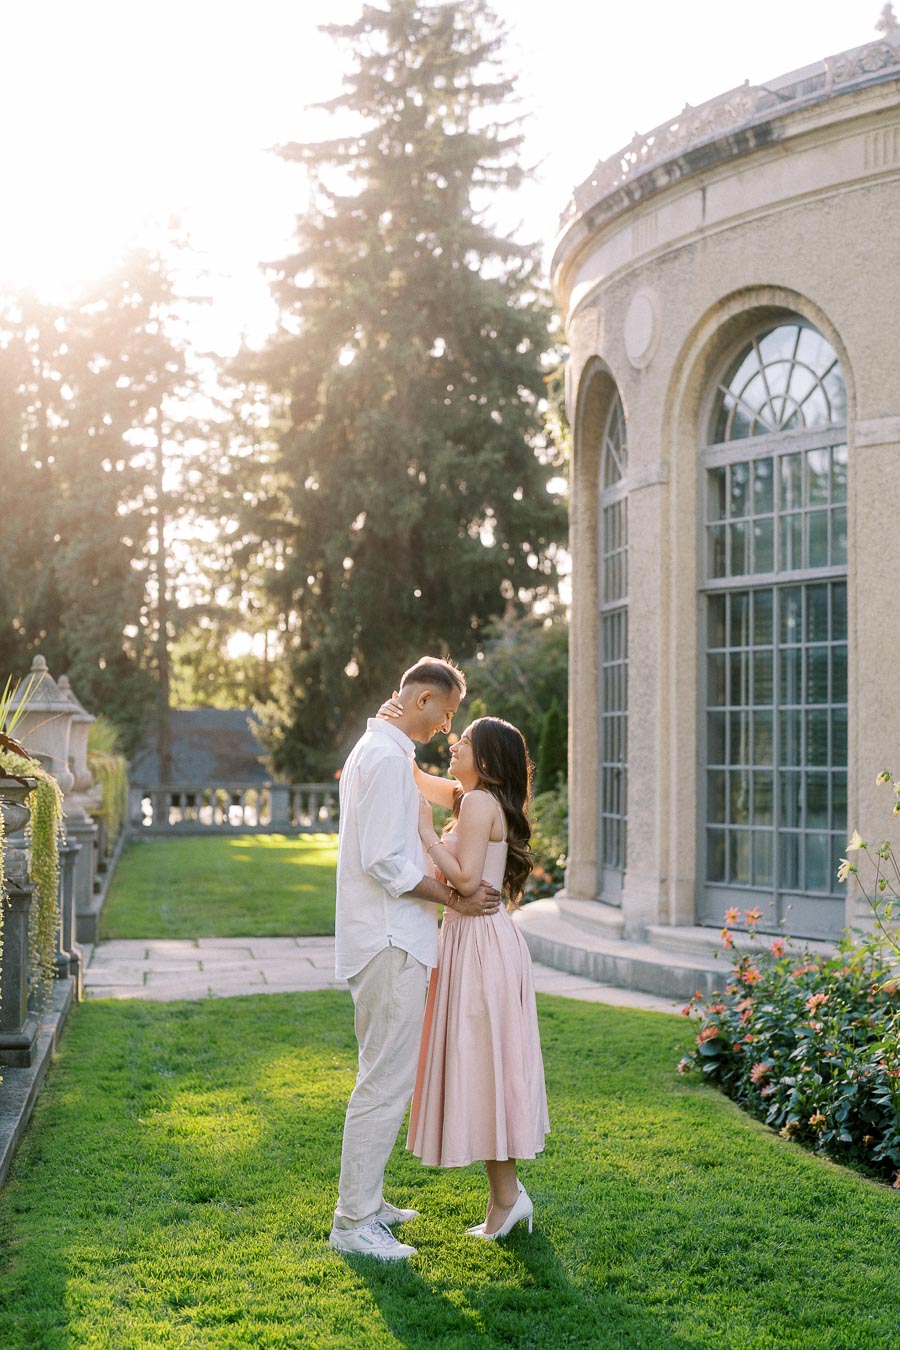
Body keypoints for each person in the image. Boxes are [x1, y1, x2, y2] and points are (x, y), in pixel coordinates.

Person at [328, 657, 502, 1262]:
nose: (447, 726)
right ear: (423, 698)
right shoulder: (381, 756)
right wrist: (450, 895)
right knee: (383, 1081)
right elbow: (385, 861)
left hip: (390, 937)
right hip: (389, 938)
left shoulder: (385, 751)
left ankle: (368, 1204)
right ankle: (353, 1223)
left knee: (384, 1076)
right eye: (446, 712)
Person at [383, 705, 550, 1238]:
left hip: (479, 946)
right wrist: (391, 724)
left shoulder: (477, 803)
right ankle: (506, 1199)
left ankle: (506, 1201)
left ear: (487, 761)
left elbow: (465, 880)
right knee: (487, 1069)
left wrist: (428, 837)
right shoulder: (471, 798)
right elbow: (410, 774)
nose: (453, 742)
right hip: (474, 942)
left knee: (485, 1067)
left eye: (465, 740)